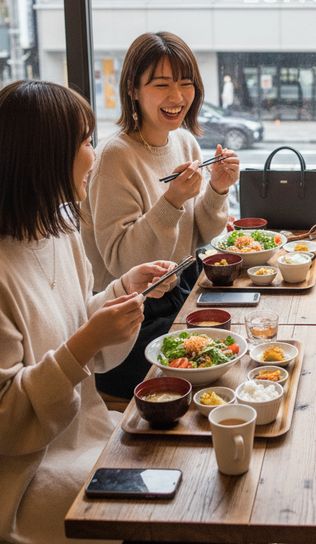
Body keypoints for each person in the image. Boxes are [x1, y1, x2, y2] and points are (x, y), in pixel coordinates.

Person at [0, 80, 178, 544]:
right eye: (86, 142)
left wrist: (122, 290)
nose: (95, 154)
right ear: (43, 157)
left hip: (78, 433)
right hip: (11, 482)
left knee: (176, 457)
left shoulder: (57, 228)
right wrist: (89, 338)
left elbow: (70, 331)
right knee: (162, 513)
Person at [81, 31, 240, 399]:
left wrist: (217, 189)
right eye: (162, 84)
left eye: (186, 84)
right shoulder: (114, 157)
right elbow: (126, 265)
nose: (177, 97)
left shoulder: (184, 141)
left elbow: (201, 236)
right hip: (132, 322)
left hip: (180, 291)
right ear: (133, 90)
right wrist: (170, 202)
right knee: (224, 368)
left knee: (238, 340)